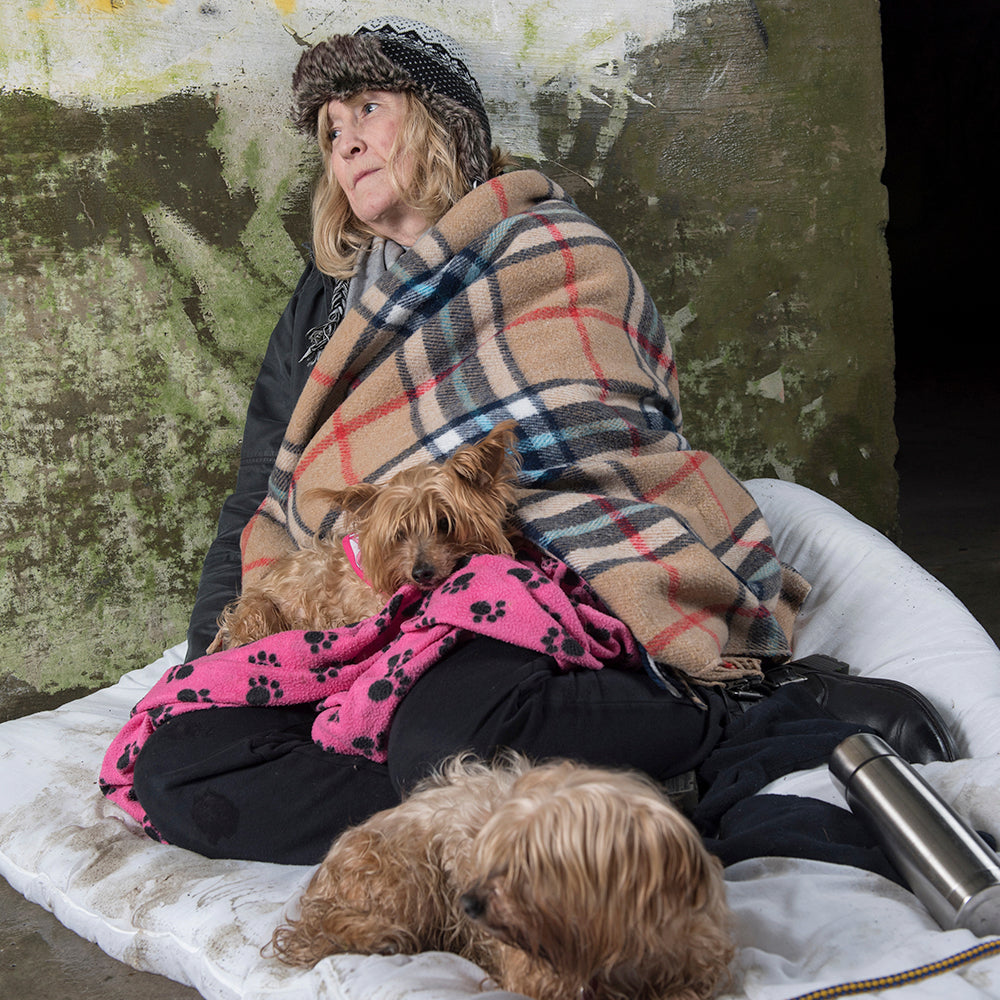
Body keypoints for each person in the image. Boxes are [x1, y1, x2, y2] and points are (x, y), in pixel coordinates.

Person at [122, 17, 954, 869]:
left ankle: (741, 718)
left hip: (513, 575)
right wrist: (210, 657)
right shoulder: (324, 308)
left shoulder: (551, 246)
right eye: (332, 131)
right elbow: (262, 491)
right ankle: (531, 792)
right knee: (181, 768)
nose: (347, 142)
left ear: (442, 120)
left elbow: (604, 434)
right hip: (349, 609)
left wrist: (477, 526)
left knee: (445, 734)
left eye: (368, 108)